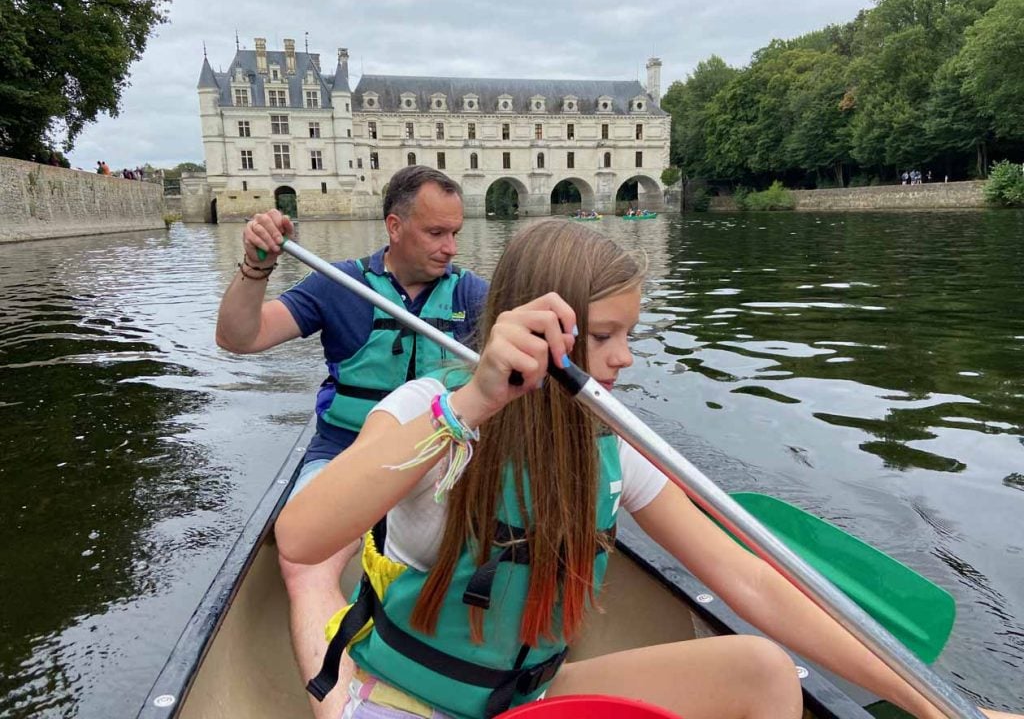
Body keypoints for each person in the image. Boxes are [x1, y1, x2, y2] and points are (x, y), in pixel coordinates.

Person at [276, 219, 1021, 719]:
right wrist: (475, 400)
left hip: (522, 697)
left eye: (630, 333)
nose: (627, 357)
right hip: (408, 701)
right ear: (537, 326)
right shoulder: (431, 407)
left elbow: (751, 579)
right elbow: (303, 538)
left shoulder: (607, 443)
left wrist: (937, 704)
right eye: (606, 336)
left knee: (761, 671)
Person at [216, 165, 489, 719]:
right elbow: (238, 338)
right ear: (394, 226)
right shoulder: (337, 285)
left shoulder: (476, 296)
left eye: (456, 233)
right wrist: (255, 267)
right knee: (304, 563)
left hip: (443, 458)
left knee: (492, 552)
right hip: (345, 453)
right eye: (436, 233)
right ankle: (346, 707)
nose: (450, 247)